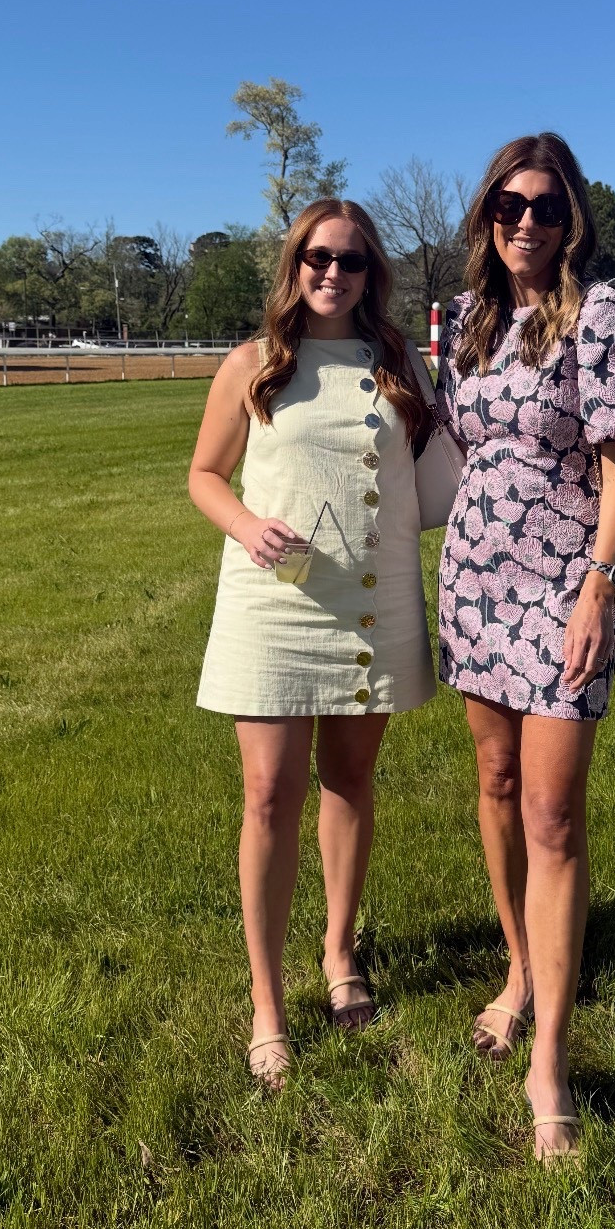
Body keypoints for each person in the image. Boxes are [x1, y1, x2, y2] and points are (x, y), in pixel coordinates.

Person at [435, 133, 615, 1158]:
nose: (525, 221)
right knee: (495, 783)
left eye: (543, 204)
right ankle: (520, 970)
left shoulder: (605, 314)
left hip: (560, 587)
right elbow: (463, 449)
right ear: (487, 215)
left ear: (572, 214)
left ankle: (551, 1064)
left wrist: (596, 584)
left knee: (553, 813)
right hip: (474, 583)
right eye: (507, 204)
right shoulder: (473, 322)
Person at [190, 200, 436, 1086]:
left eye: (353, 261)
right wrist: (247, 524)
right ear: (294, 266)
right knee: (267, 795)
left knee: (351, 780)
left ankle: (338, 954)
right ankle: (266, 1001)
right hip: (273, 603)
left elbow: (443, 473)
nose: (333, 274)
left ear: (374, 272)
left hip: (372, 601)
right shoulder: (254, 365)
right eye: (318, 258)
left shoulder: (399, 360)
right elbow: (203, 474)